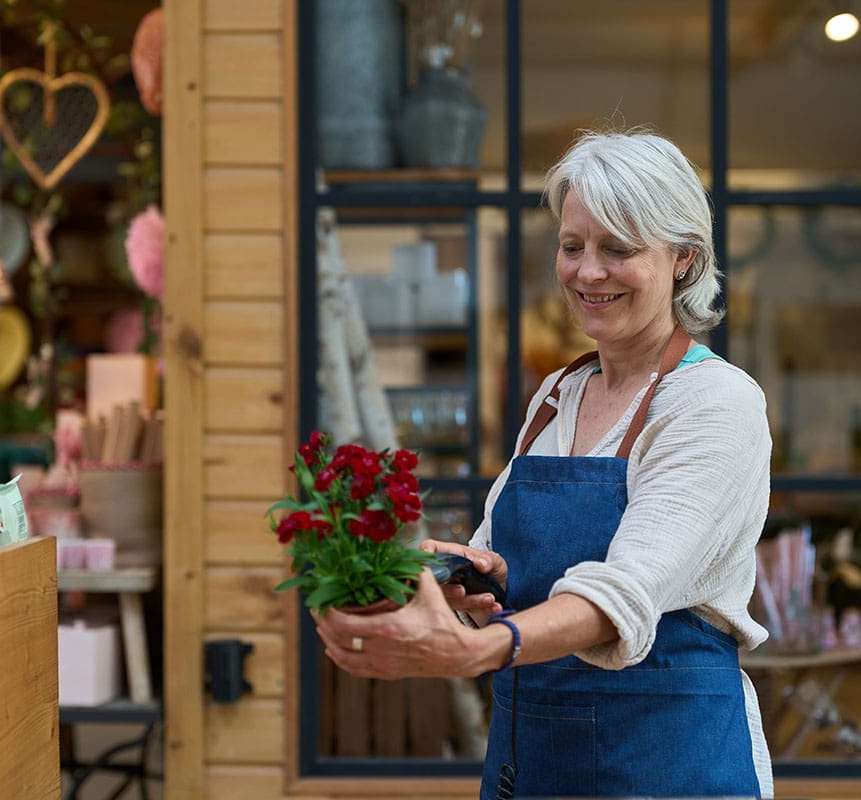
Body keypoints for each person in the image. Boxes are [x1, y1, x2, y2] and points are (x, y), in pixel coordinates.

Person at [314, 129, 774, 799]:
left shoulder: (714, 402)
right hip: (532, 767)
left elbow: (627, 591)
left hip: (667, 764)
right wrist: (470, 583)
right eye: (572, 245)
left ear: (683, 259)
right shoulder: (558, 395)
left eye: (617, 249)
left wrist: (479, 648)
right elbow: (501, 559)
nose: (588, 272)